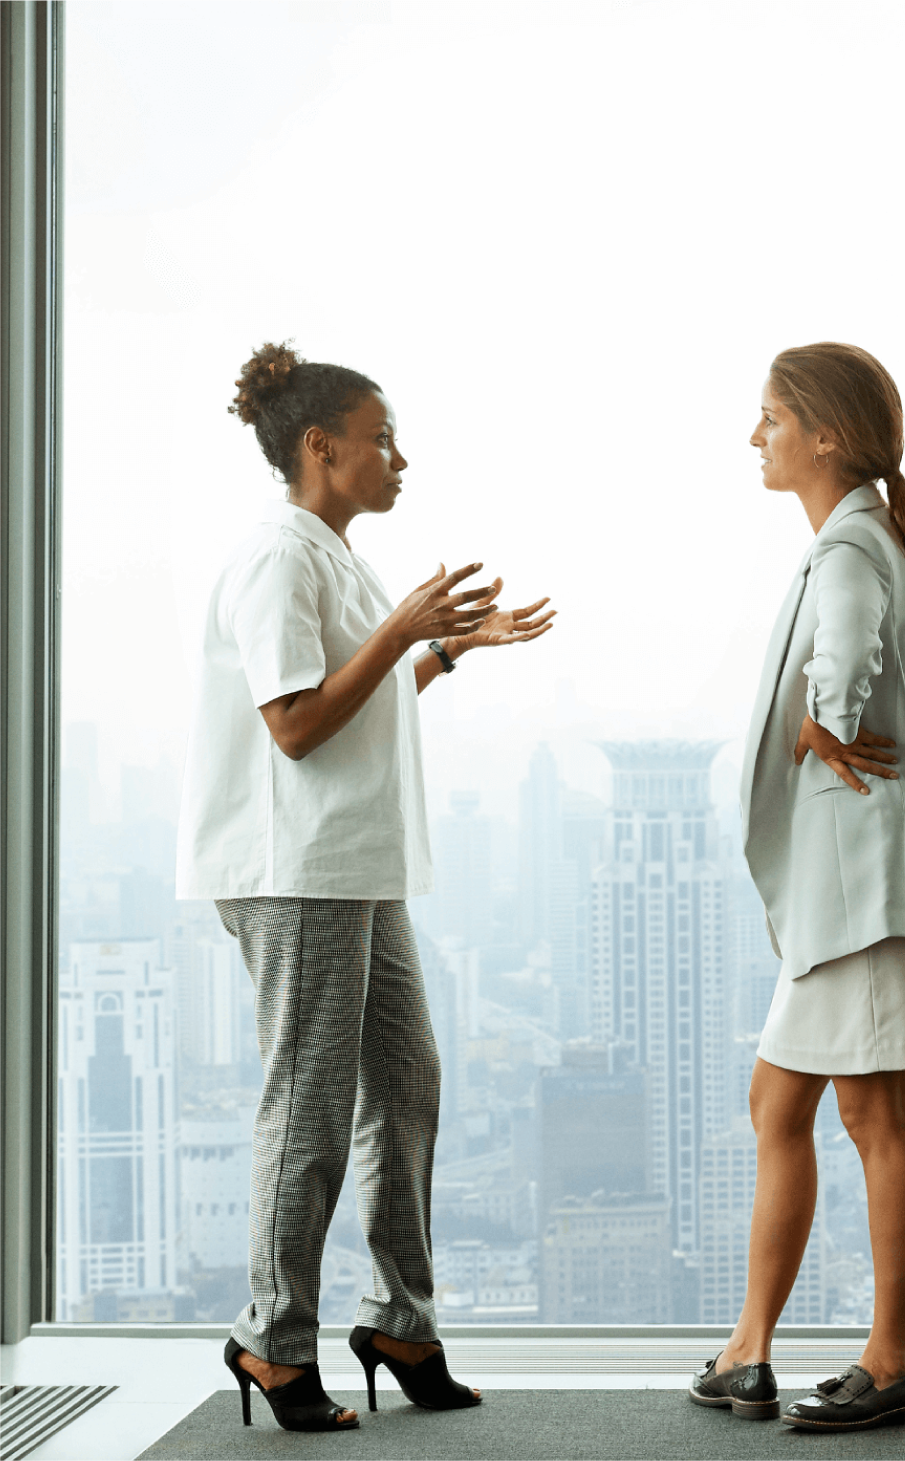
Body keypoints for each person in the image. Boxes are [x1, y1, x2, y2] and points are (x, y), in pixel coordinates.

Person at [176, 342, 555, 1433]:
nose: (401, 457)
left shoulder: (336, 559)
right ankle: (271, 1340)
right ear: (319, 447)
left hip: (351, 867)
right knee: (309, 1104)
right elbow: (292, 729)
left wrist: (449, 649)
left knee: (407, 1082)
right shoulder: (276, 560)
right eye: (381, 438)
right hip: (293, 869)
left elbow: (358, 702)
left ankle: (399, 1320)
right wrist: (401, 631)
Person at [687, 342, 905, 1433]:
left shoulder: (850, 550)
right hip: (850, 890)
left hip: (864, 888)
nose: (756, 437)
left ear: (825, 436)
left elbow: (848, 675)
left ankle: (890, 1363)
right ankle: (749, 1350)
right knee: (781, 1101)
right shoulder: (870, 539)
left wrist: (824, 723)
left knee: (875, 1113)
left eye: (769, 420)